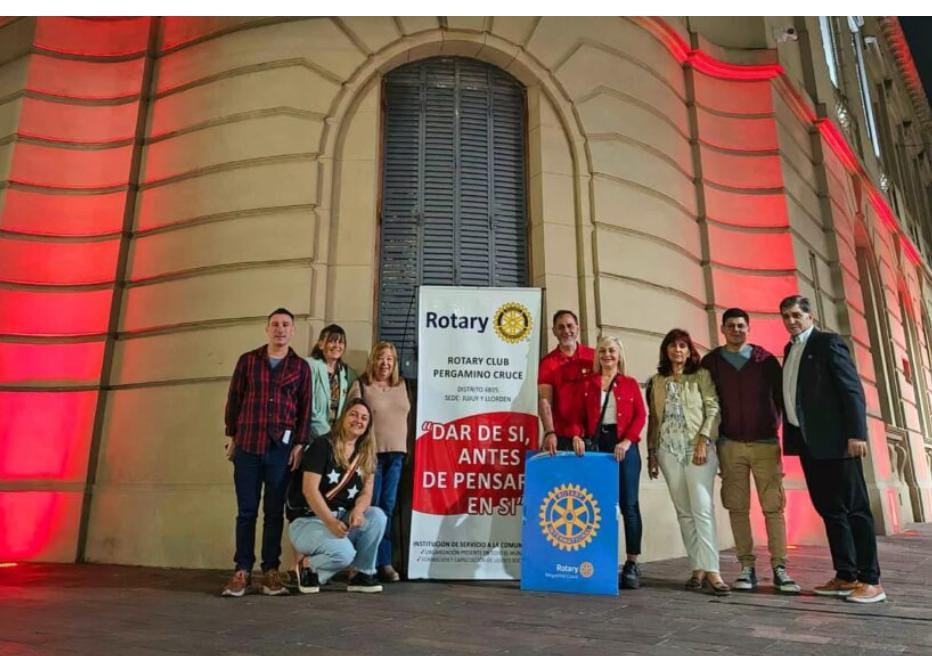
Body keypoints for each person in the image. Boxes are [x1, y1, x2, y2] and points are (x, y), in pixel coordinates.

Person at [779, 295, 885, 603]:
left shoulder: (827, 343)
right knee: (831, 510)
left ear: (809, 316)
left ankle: (871, 580)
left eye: (796, 314)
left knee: (855, 510)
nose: (791, 320)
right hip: (810, 445)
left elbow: (851, 388)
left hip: (839, 442)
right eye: (785, 316)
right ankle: (845, 574)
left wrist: (857, 433)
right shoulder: (790, 348)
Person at [701, 308, 799, 594]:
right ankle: (746, 566)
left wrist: (780, 430)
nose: (736, 330)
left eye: (741, 325)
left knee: (773, 507)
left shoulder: (765, 360)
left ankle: (780, 567)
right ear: (723, 329)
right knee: (737, 506)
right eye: (731, 326)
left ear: (748, 328)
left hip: (765, 444)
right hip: (730, 445)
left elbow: (782, 398)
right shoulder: (712, 362)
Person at [222, 307, 311, 597]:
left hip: (280, 450)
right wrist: (231, 436)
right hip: (247, 444)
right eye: (275, 324)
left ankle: (270, 571)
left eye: (286, 325)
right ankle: (242, 570)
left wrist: (299, 444)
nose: (280, 329)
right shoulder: (248, 361)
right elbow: (234, 399)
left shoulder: (300, 367)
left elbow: (304, 409)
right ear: (267, 328)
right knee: (246, 511)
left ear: (292, 330)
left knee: (273, 512)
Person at [647, 329, 729, 595]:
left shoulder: (701, 376)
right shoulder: (657, 381)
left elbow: (713, 408)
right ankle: (697, 568)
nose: (677, 350)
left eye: (682, 346)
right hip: (668, 450)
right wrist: (651, 453)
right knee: (684, 511)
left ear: (689, 350)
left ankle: (713, 571)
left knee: (702, 508)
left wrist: (705, 439)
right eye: (672, 346)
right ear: (666, 351)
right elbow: (654, 419)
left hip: (697, 449)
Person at [287, 398, 387, 593]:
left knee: (376, 517)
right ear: (343, 418)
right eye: (354, 415)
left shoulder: (366, 453)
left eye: (364, 418)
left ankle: (361, 574)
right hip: (310, 521)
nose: (358, 420)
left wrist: (358, 510)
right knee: (344, 554)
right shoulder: (322, 446)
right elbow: (310, 490)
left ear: (368, 425)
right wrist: (331, 522)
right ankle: (306, 567)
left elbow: (367, 491)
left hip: (342, 517)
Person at [580, 335, 646, 589]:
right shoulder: (588, 384)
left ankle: (632, 563)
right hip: (598, 447)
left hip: (625, 447)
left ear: (620, 356)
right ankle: (601, 559)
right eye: (603, 351)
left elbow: (640, 416)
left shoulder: (629, 384)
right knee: (598, 505)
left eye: (612, 351)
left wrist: (627, 441)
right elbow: (577, 415)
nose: (607, 355)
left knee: (629, 505)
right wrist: (578, 435)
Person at [347, 341, 411, 583]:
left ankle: (383, 562)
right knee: (369, 509)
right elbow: (352, 419)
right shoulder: (361, 385)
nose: (385, 363)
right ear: (372, 360)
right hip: (371, 456)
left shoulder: (404, 386)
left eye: (389, 359)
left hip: (396, 455)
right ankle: (362, 563)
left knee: (388, 508)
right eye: (380, 358)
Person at [538, 310, 596, 456]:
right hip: (562, 437)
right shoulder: (547, 363)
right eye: (561, 327)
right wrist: (549, 432)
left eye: (570, 326)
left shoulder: (594, 357)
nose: (566, 331)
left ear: (577, 328)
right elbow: (545, 401)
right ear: (554, 331)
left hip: (594, 436)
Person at [307, 324, 357, 438]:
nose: (337, 345)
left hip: (338, 437)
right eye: (332, 341)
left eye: (341, 342)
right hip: (313, 436)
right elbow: (308, 405)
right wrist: (326, 433)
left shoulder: (349, 374)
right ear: (321, 344)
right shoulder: (310, 366)